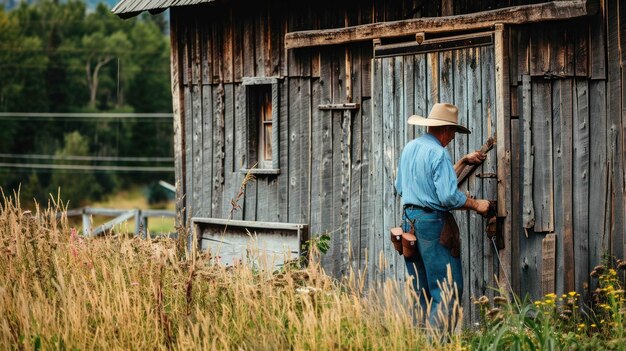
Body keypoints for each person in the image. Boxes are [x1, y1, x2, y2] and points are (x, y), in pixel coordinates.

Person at [394, 102, 490, 328]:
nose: (453, 138)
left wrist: (463, 162)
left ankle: (420, 342)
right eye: (454, 132)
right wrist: (477, 205)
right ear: (445, 130)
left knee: (421, 289)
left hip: (409, 222)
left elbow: (402, 187)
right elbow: (447, 197)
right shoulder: (438, 153)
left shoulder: (410, 148)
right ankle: (438, 345)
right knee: (447, 289)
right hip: (433, 226)